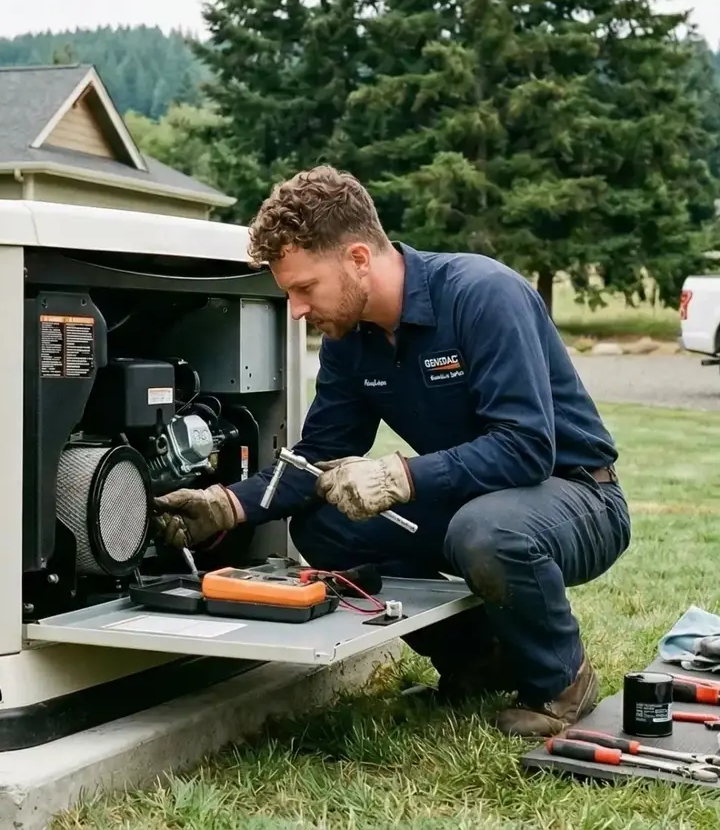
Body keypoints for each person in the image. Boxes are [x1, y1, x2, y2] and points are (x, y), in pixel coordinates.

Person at [153, 165, 632, 737]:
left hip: (578, 494)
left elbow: (527, 447)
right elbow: (319, 457)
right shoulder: (349, 340)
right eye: (289, 294)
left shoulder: (483, 296)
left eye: (305, 288)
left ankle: (562, 681)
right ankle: (479, 660)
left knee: (486, 532)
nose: (297, 310)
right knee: (326, 525)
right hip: (473, 502)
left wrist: (400, 475)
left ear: (358, 258)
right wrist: (227, 505)